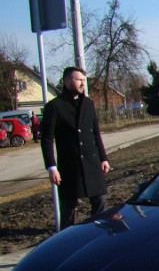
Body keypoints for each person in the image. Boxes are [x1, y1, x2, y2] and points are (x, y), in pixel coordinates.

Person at [40, 66, 110, 230]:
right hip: (70, 166)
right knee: (68, 208)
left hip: (92, 163)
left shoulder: (88, 104)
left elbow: (96, 134)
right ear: (66, 81)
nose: (82, 83)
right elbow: (47, 139)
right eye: (78, 80)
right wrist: (52, 167)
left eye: (83, 80)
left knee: (99, 202)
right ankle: (66, 240)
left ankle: (97, 235)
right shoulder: (55, 106)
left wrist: (104, 158)